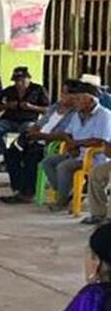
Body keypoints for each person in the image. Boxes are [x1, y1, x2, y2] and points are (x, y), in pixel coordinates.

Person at [40, 80, 111, 212]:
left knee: (64, 166)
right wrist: (70, 145)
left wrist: (76, 144)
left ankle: (61, 201)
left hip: (94, 156)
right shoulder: (77, 114)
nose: (75, 102)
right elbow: (68, 133)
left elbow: (100, 141)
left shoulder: (104, 115)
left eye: (78, 99)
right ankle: (66, 192)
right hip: (77, 152)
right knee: (48, 162)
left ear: (90, 100)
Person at [0, 82, 75, 205]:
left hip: (53, 144)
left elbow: (65, 135)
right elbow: (40, 122)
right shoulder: (55, 107)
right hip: (38, 137)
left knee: (32, 155)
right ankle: (20, 189)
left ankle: (27, 193)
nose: (63, 95)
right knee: (11, 152)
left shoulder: (75, 114)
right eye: (62, 92)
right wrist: (32, 131)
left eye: (66, 93)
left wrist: (41, 136)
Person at [0, 67, 49, 162]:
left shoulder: (38, 89)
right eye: (16, 81)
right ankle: (5, 154)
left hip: (28, 120)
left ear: (28, 78)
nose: (19, 83)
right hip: (9, 120)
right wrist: (7, 106)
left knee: (28, 130)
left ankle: (20, 155)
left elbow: (47, 110)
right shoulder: (9, 90)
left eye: (22, 80)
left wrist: (31, 107)